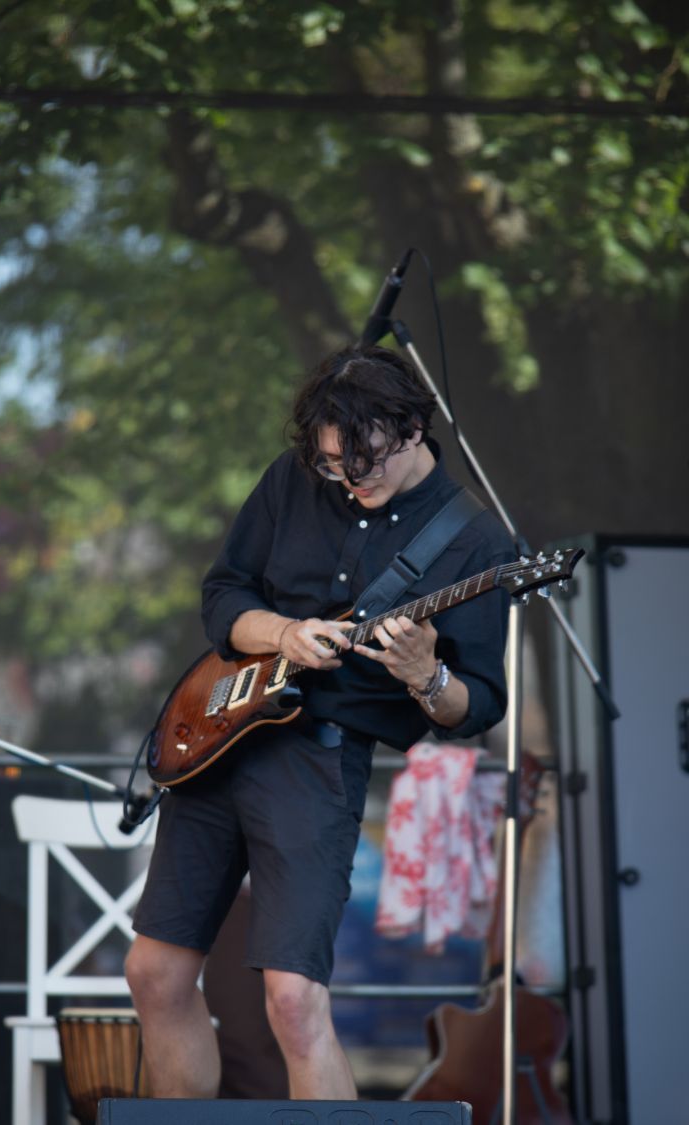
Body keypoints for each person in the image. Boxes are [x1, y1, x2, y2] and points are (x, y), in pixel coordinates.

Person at [125, 344, 516, 1100]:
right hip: (221, 741)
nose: (348, 480)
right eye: (333, 465)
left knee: (294, 1001)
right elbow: (223, 595)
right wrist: (283, 634)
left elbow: (478, 705)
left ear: (411, 429)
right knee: (154, 973)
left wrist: (424, 674)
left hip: (317, 763)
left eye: (361, 462)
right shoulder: (294, 479)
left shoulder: (477, 542)